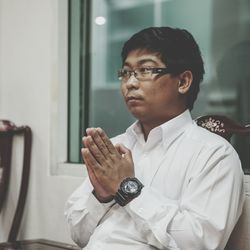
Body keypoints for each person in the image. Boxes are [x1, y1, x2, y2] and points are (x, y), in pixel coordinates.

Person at [65, 27, 245, 250]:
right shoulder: (116, 149)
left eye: (146, 70)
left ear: (183, 82)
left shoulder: (214, 154)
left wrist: (127, 188)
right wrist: (101, 196)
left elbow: (199, 243)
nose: (130, 83)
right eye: (126, 73)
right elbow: (78, 235)